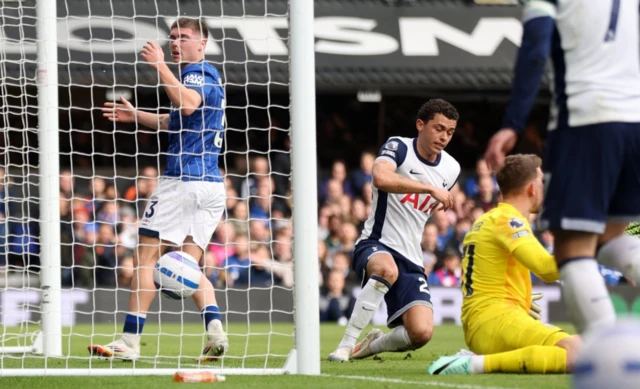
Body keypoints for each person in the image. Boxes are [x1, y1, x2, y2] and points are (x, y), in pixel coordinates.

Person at [483, 0, 640, 334]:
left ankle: (607, 362)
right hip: (634, 122)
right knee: (611, 241)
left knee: (573, 250)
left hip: (586, 119)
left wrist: (513, 123)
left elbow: (536, 49)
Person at [89, 17, 228, 362]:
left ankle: (129, 342)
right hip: (212, 187)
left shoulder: (195, 73)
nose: (176, 43)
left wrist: (160, 65)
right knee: (188, 267)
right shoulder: (208, 78)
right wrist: (137, 115)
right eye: (172, 38)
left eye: (184, 37)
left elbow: (188, 103)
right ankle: (215, 331)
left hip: (182, 180)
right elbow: (174, 120)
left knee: (145, 259)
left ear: (202, 44)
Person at [328, 99, 460, 362]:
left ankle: (372, 346)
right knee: (387, 269)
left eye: (450, 132)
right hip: (377, 243)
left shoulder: (451, 168)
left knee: (421, 333)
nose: (444, 137)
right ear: (420, 125)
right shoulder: (398, 146)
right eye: (439, 128)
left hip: (412, 257)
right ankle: (345, 344)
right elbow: (380, 178)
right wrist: (428, 188)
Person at [428, 155, 581, 375]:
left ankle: (480, 359)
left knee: (582, 345)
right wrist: (590, 245)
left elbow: (493, 272)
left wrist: (522, 299)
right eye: (540, 182)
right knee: (579, 355)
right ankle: (474, 365)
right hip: (495, 320)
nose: (542, 187)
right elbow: (547, 269)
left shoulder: (490, 219)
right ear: (531, 188)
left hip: (488, 321)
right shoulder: (508, 220)